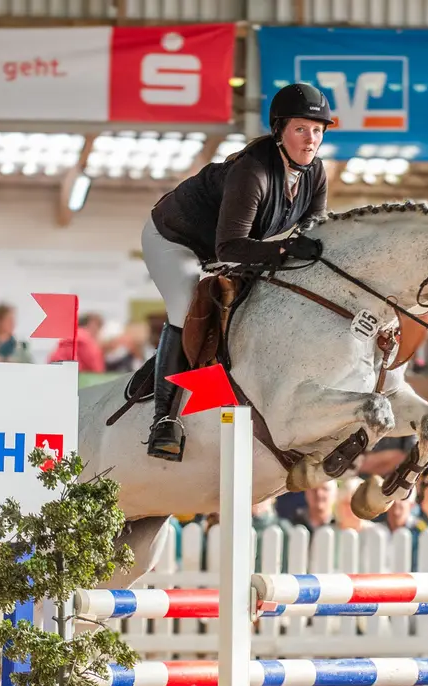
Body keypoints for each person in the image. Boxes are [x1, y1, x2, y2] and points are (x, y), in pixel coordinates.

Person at [140, 82, 334, 461]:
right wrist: (282, 249)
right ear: (279, 130)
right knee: (185, 305)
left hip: (230, 248)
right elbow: (229, 246)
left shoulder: (316, 173)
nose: (311, 140)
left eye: (317, 131)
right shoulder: (253, 172)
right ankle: (164, 421)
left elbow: (315, 232)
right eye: (301, 129)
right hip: (176, 239)